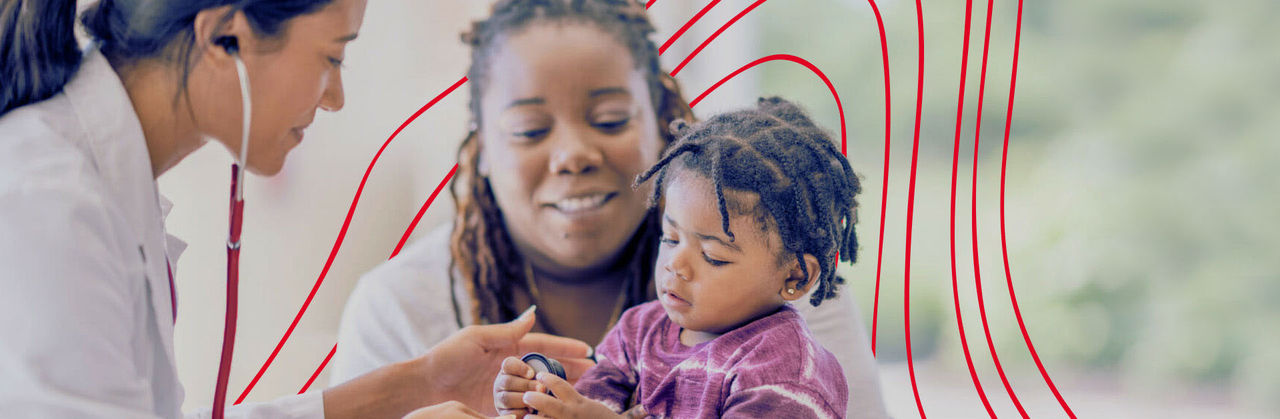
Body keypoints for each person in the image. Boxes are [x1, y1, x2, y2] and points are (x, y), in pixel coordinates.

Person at [0, 1, 590, 417]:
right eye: (332, 57)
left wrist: (424, 384)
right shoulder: (52, 205)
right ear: (224, 38)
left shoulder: (103, 187)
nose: (334, 98)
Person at [333, 1, 890, 417]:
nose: (574, 154)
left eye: (609, 120)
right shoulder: (398, 310)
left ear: (664, 125)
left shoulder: (784, 295)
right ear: (481, 151)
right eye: (529, 129)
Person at [494, 97, 859, 418]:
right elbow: (594, 398)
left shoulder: (786, 376)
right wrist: (545, 398)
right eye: (670, 238)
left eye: (713, 256)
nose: (675, 265)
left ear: (795, 277)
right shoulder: (639, 330)